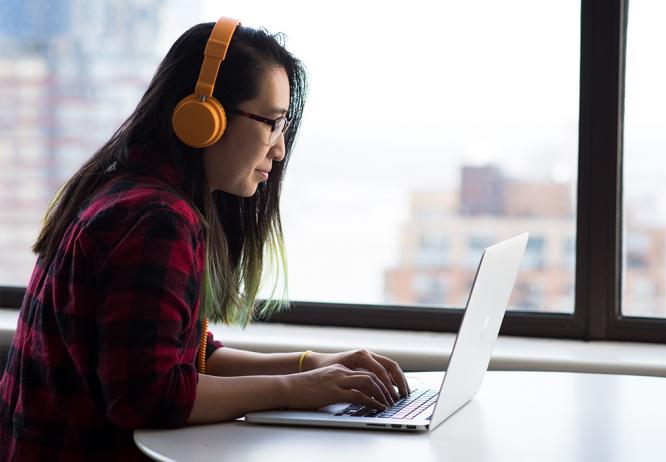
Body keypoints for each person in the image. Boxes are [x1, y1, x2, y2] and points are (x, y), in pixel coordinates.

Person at [0, 17, 410, 461]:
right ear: (203, 116)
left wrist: (312, 364)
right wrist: (296, 390)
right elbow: (148, 395)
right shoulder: (156, 219)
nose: (279, 148)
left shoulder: (125, 190)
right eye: (271, 123)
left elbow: (185, 356)